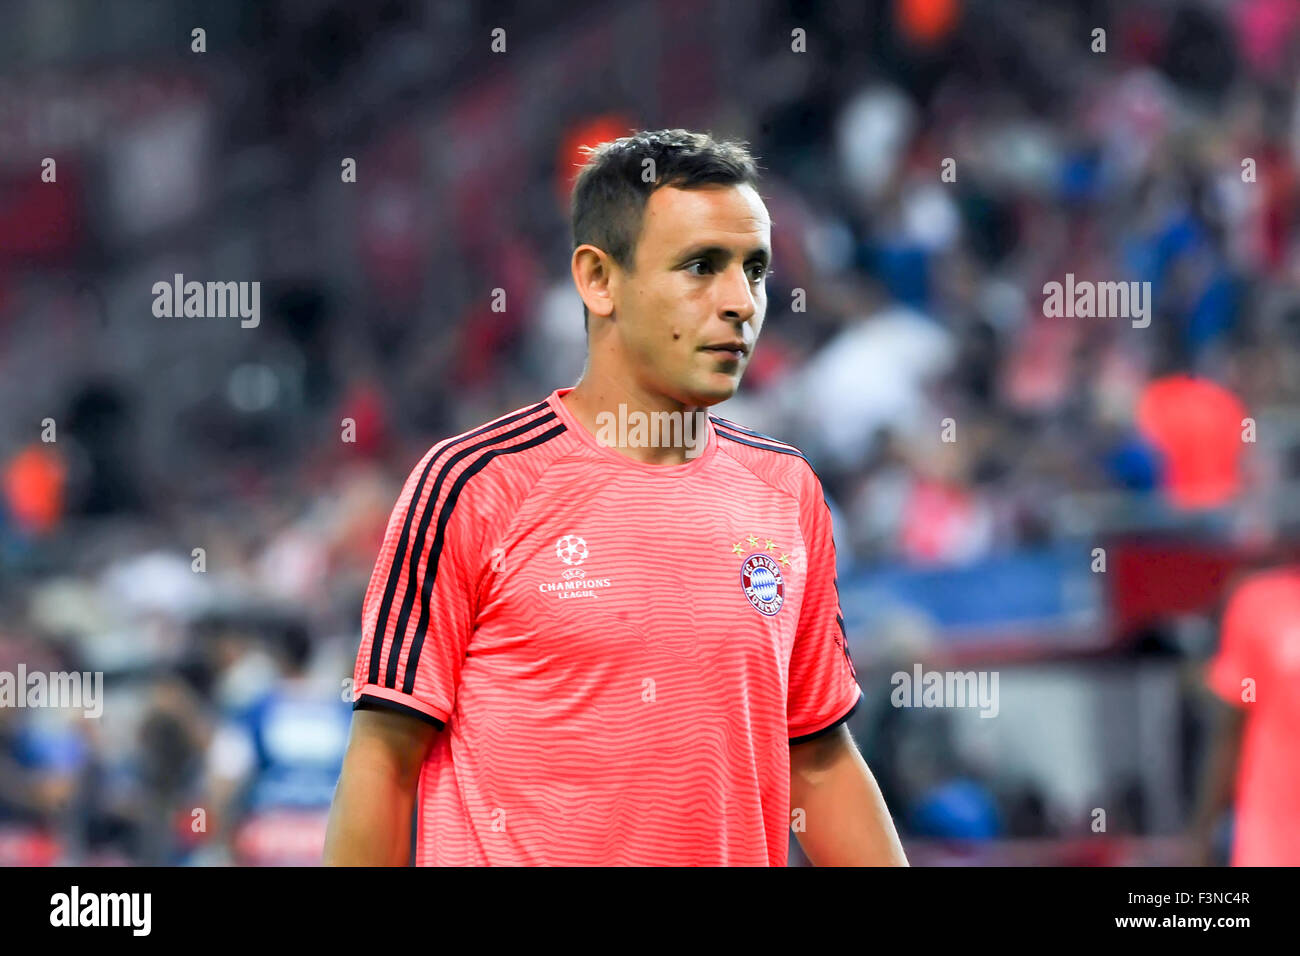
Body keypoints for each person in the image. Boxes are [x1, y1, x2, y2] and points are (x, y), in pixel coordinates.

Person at [324, 129, 908, 866]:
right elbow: (383, 761)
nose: (740, 302)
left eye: (753, 270)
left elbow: (818, 762)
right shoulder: (472, 486)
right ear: (599, 279)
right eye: (702, 267)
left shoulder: (785, 491)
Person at [1189, 564, 1300, 865]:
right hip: (1273, 847)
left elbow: (1229, 728)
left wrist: (1201, 835)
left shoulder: (1259, 604)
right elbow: (1234, 718)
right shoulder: (1260, 603)